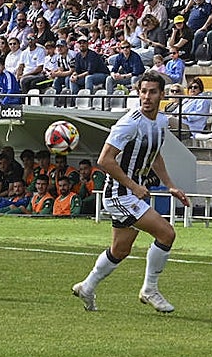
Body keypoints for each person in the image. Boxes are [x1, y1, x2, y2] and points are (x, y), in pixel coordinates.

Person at [72, 71, 191, 314]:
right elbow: (105, 160)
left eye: (152, 92)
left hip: (129, 194)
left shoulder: (160, 122)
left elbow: (154, 154)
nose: (147, 97)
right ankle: (150, 289)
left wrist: (170, 185)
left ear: (162, 95)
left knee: (120, 250)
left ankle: (87, 286)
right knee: (166, 234)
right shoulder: (129, 122)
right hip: (119, 193)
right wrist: (133, 185)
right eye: (143, 91)